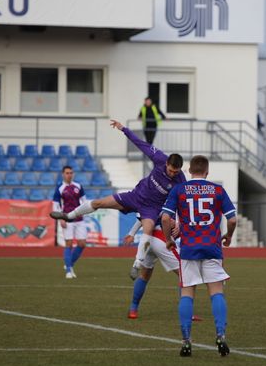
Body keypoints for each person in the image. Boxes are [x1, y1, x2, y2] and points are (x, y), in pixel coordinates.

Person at [49, 120, 186, 280]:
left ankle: (136, 264)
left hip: (152, 208)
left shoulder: (180, 180)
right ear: (167, 163)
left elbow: (182, 203)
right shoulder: (160, 158)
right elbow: (140, 143)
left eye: (175, 172)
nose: (172, 174)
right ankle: (68, 216)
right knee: (99, 203)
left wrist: (180, 223)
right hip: (135, 196)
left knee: (147, 230)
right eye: (170, 170)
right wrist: (123, 129)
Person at [161, 155, 237, 357]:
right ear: (207, 171)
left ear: (189, 170)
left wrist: (168, 239)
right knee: (216, 292)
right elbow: (232, 220)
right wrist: (228, 237)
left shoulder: (179, 190)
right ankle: (220, 335)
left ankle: (186, 341)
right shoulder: (218, 190)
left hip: (189, 249)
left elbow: (166, 217)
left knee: (187, 293)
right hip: (212, 248)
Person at [124, 216, 202, 322]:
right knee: (186, 273)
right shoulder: (167, 199)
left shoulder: (152, 201)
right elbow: (164, 218)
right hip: (161, 238)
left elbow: (142, 217)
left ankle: (133, 309)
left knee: (145, 275)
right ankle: (188, 313)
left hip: (148, 239)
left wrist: (131, 233)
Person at [52, 166, 87, 279]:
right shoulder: (60, 188)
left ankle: (69, 263)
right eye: (67, 173)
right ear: (63, 174)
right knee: (69, 244)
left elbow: (84, 201)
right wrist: (61, 218)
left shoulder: (78, 186)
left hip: (79, 219)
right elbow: (56, 205)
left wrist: (84, 211)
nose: (69, 175)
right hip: (67, 219)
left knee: (82, 244)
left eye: (71, 173)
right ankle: (68, 270)